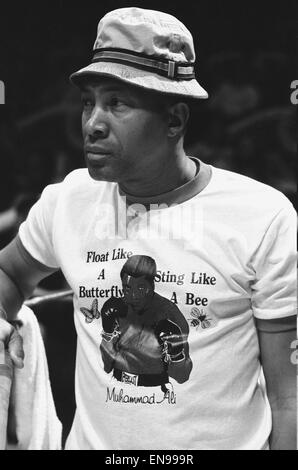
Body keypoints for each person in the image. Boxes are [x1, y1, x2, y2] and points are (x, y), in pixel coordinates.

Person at [0, 7, 296, 450]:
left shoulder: (262, 217)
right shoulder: (67, 200)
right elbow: (8, 275)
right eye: (88, 102)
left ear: (174, 119)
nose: (92, 123)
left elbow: (288, 396)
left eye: (116, 103)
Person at [99, 255, 192, 390]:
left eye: (141, 288)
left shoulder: (170, 314)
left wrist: (176, 353)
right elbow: (106, 367)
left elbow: (182, 377)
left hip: (157, 390)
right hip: (117, 385)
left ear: (152, 284)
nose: (133, 296)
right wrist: (108, 332)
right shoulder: (118, 308)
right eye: (127, 288)